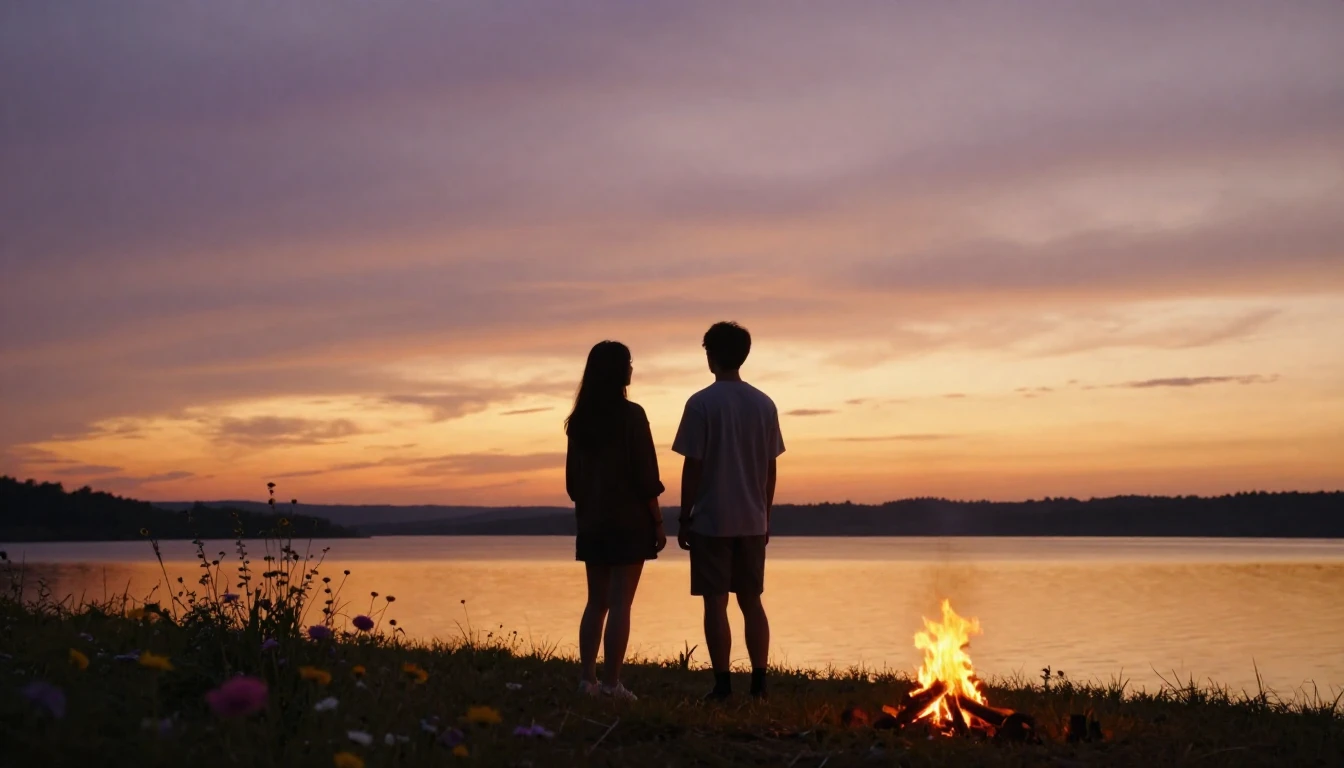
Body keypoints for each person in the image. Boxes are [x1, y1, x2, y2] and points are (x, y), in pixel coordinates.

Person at [672, 321, 784, 700]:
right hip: (752, 520)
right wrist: (765, 515)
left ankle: (722, 684)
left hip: (711, 520)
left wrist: (685, 516)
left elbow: (694, 464)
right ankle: (760, 681)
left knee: (715, 602)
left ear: (711, 355)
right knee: (752, 601)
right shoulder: (764, 404)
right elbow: (771, 466)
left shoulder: (701, 403)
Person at [565, 340, 668, 701]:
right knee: (621, 602)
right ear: (618, 370)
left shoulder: (578, 422)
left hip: (592, 523)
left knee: (597, 601)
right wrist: (657, 523)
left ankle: (587, 679)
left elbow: (572, 485)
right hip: (629, 523)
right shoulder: (632, 416)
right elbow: (645, 476)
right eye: (629, 362)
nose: (632, 368)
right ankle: (611, 683)